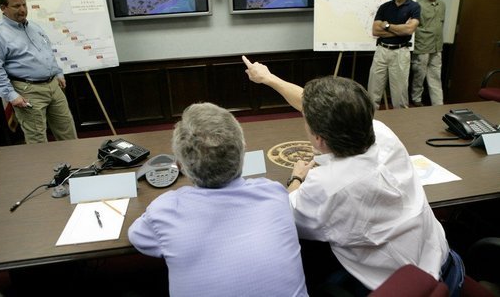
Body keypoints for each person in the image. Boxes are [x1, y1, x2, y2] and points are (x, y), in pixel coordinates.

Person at [242, 55, 464, 297]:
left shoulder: (329, 186)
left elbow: (284, 216)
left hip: (400, 288)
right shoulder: (382, 134)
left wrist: (296, 179)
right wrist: (269, 78)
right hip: (448, 266)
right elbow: (311, 102)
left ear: (319, 140)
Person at [128, 102, 308, 296]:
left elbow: (136, 236)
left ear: (179, 165)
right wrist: (296, 178)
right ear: (243, 151)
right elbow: (288, 198)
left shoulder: (164, 211)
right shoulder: (273, 193)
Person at [0, 0, 77, 144]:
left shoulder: (34, 26)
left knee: (68, 133)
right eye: (16, 6)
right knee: (37, 141)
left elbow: (47, 51)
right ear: (3, 8)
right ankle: (42, 169)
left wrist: (58, 72)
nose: (22, 10)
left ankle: (78, 165)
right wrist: (11, 95)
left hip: (53, 86)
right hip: (28, 91)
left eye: (24, 5)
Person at [368, 0, 420, 109]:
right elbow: (375, 31)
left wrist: (387, 26)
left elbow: (409, 30)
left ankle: (401, 127)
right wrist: (400, 30)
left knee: (400, 95)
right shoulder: (385, 7)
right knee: (373, 94)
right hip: (381, 51)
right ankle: (370, 126)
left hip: (400, 53)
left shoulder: (414, 7)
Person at [411, 0, 446, 107]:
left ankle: (438, 103)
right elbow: (414, 26)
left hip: (437, 46)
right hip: (423, 46)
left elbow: (441, 24)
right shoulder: (418, 5)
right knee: (419, 75)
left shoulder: (442, 5)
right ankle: (416, 99)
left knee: (436, 75)